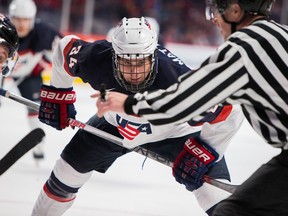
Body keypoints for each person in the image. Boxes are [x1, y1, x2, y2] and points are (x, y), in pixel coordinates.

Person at [31, 17, 244, 215]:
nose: (134, 72)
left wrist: (204, 150)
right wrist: (60, 94)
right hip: (116, 124)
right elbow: (64, 47)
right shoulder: (97, 57)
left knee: (216, 198)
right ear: (113, 56)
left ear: (154, 56)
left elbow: (230, 110)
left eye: (141, 62)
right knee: (64, 174)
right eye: (126, 62)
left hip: (175, 133)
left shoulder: (178, 78)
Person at [95, 1, 288, 215]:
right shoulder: (283, 33)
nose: (214, 19)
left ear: (235, 11)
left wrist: (128, 103)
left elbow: (188, 100)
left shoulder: (243, 47)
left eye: (218, 11)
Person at [5, 0, 63, 161]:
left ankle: (37, 143)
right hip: (3, 74)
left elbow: (64, 52)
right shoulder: (3, 30)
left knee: (34, 108)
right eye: (18, 19)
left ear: (33, 19)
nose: (22, 24)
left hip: (29, 75)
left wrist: (47, 60)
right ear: (11, 17)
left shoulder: (44, 33)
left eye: (26, 19)